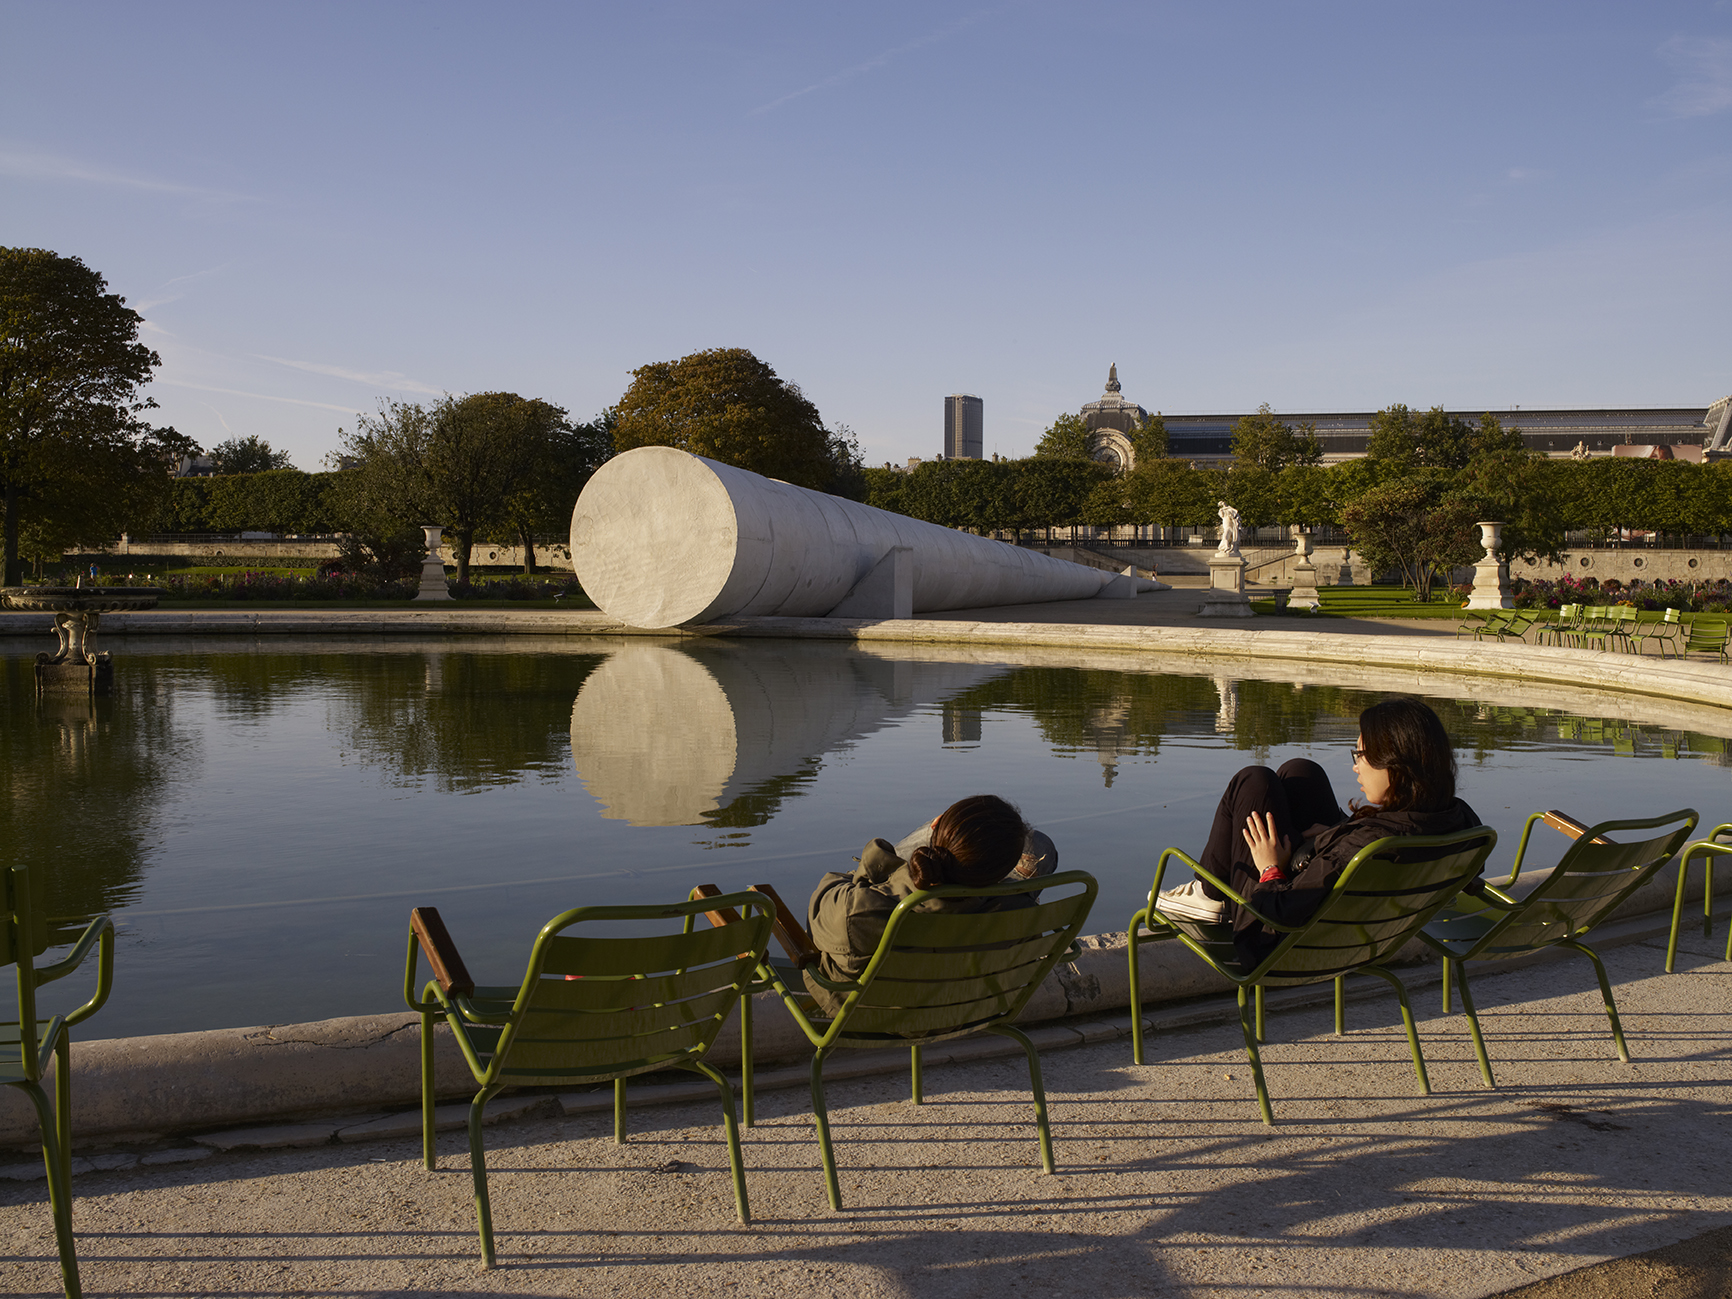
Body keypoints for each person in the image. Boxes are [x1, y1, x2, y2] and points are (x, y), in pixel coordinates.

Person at [1157, 696, 1481, 972]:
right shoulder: (1459, 817)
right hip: (1373, 936)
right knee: (1302, 772)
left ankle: (1209, 895)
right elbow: (1470, 872)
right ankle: (1211, 894)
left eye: (1361, 755)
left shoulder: (1364, 845)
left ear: (1394, 766)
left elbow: (1282, 910)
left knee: (1253, 780)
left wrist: (1270, 867)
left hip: (1280, 947)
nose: (1356, 766)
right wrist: (1334, 837)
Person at [805, 794, 1057, 1013]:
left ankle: (929, 848)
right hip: (971, 1011)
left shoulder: (860, 910)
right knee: (1038, 843)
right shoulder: (1020, 916)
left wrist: (872, 869)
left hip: (867, 1015)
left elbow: (818, 911)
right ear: (1002, 873)